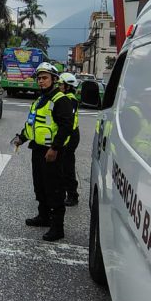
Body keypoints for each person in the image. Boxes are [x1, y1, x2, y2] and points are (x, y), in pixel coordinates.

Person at [11, 62, 75, 241]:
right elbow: (32, 124)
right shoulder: (40, 100)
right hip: (38, 150)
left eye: (45, 78)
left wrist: (55, 148)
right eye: (39, 78)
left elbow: (66, 126)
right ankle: (44, 217)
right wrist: (22, 138)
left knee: (54, 189)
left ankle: (57, 228)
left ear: (54, 79)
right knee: (40, 186)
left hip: (53, 152)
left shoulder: (61, 100)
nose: (41, 81)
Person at [58, 72, 82, 207]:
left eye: (61, 84)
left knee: (67, 166)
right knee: (63, 165)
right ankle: (65, 192)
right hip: (69, 134)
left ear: (68, 86)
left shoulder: (70, 100)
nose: (59, 86)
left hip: (70, 136)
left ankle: (73, 195)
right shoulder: (66, 97)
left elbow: (68, 121)